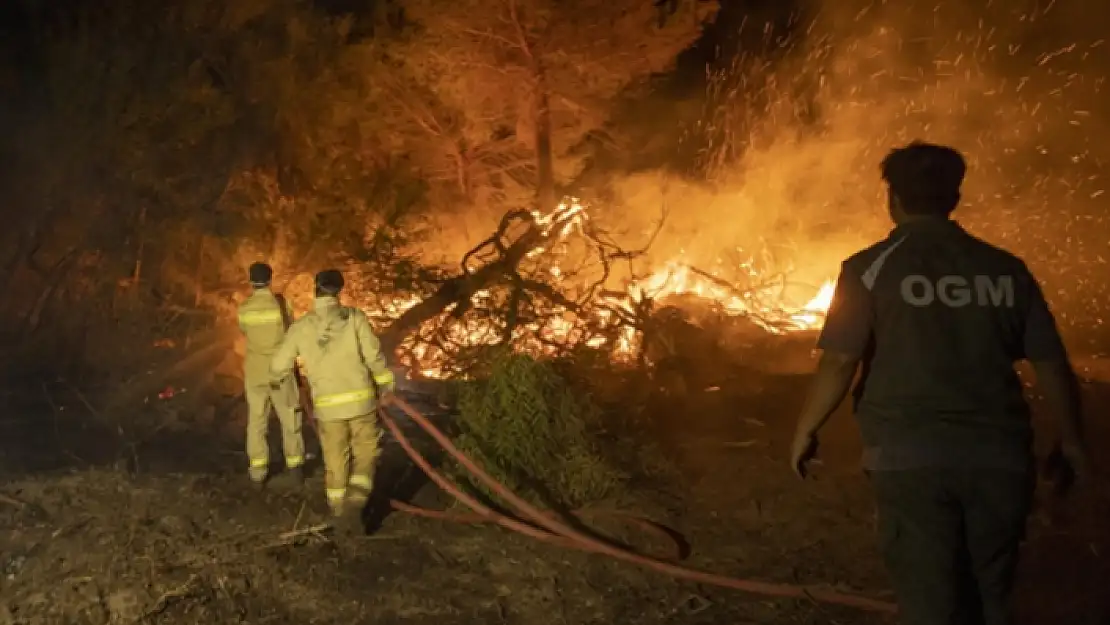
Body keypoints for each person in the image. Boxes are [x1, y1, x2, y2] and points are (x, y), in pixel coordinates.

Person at [789, 141, 1087, 625]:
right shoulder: (1005, 269)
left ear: (893, 199)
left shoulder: (868, 267)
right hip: (999, 456)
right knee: (992, 594)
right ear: (956, 197)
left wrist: (805, 428)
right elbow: (1051, 364)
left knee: (930, 600)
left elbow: (840, 360)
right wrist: (1072, 441)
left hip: (909, 460)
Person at [270, 269, 396, 533]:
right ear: (339, 291)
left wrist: (276, 379)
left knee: (335, 461)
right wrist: (386, 384)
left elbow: (279, 363)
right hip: (362, 404)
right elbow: (373, 355)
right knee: (366, 455)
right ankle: (355, 504)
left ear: (315, 288)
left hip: (328, 409)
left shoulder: (301, 327)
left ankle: (339, 512)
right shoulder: (354, 318)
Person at [237, 262, 306, 488]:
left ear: (250, 280)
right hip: (280, 372)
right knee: (289, 418)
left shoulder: (244, 308)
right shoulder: (281, 303)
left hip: (255, 373)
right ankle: (295, 468)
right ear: (270, 279)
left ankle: (257, 473)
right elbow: (291, 329)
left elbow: (245, 332)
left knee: (256, 421)